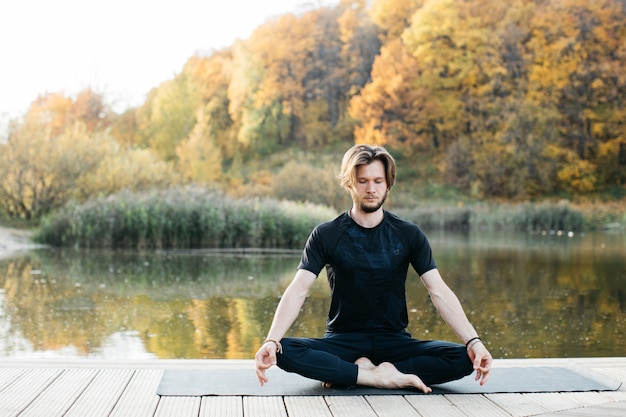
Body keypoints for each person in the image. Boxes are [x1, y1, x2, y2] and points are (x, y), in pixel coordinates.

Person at [254, 144, 492, 393]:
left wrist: (474, 341)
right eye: (363, 181)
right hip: (343, 341)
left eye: (378, 181)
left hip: (394, 342)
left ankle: (361, 372)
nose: (371, 189)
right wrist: (271, 340)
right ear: (349, 184)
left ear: (388, 184)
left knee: (466, 357)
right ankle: (375, 376)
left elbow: (439, 291)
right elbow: (299, 289)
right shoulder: (326, 234)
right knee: (284, 351)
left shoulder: (408, 234)